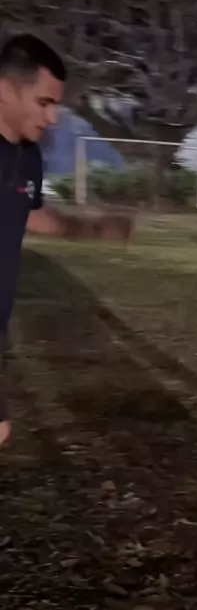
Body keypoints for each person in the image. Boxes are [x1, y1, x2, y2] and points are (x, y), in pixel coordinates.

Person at [0, 34, 130, 448]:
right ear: (5, 91)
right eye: (44, 103)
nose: (53, 118)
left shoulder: (27, 156)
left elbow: (30, 214)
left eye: (56, 105)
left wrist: (94, 229)